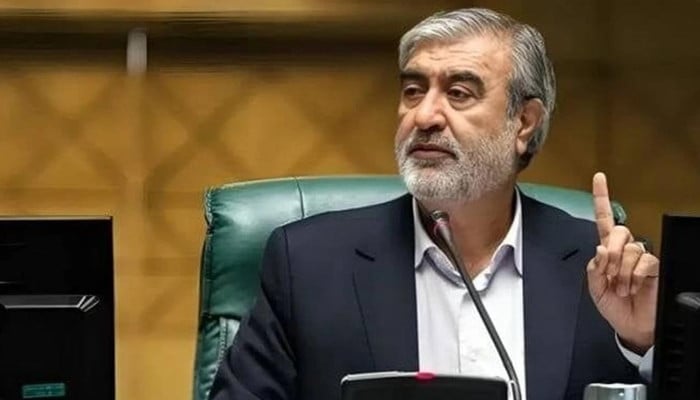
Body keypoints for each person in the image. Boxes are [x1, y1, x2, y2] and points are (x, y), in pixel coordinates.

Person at [209, 7, 658, 400]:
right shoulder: (307, 265)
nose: (424, 116)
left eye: (459, 93)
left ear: (524, 122)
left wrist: (642, 345)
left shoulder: (605, 272)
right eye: (413, 90)